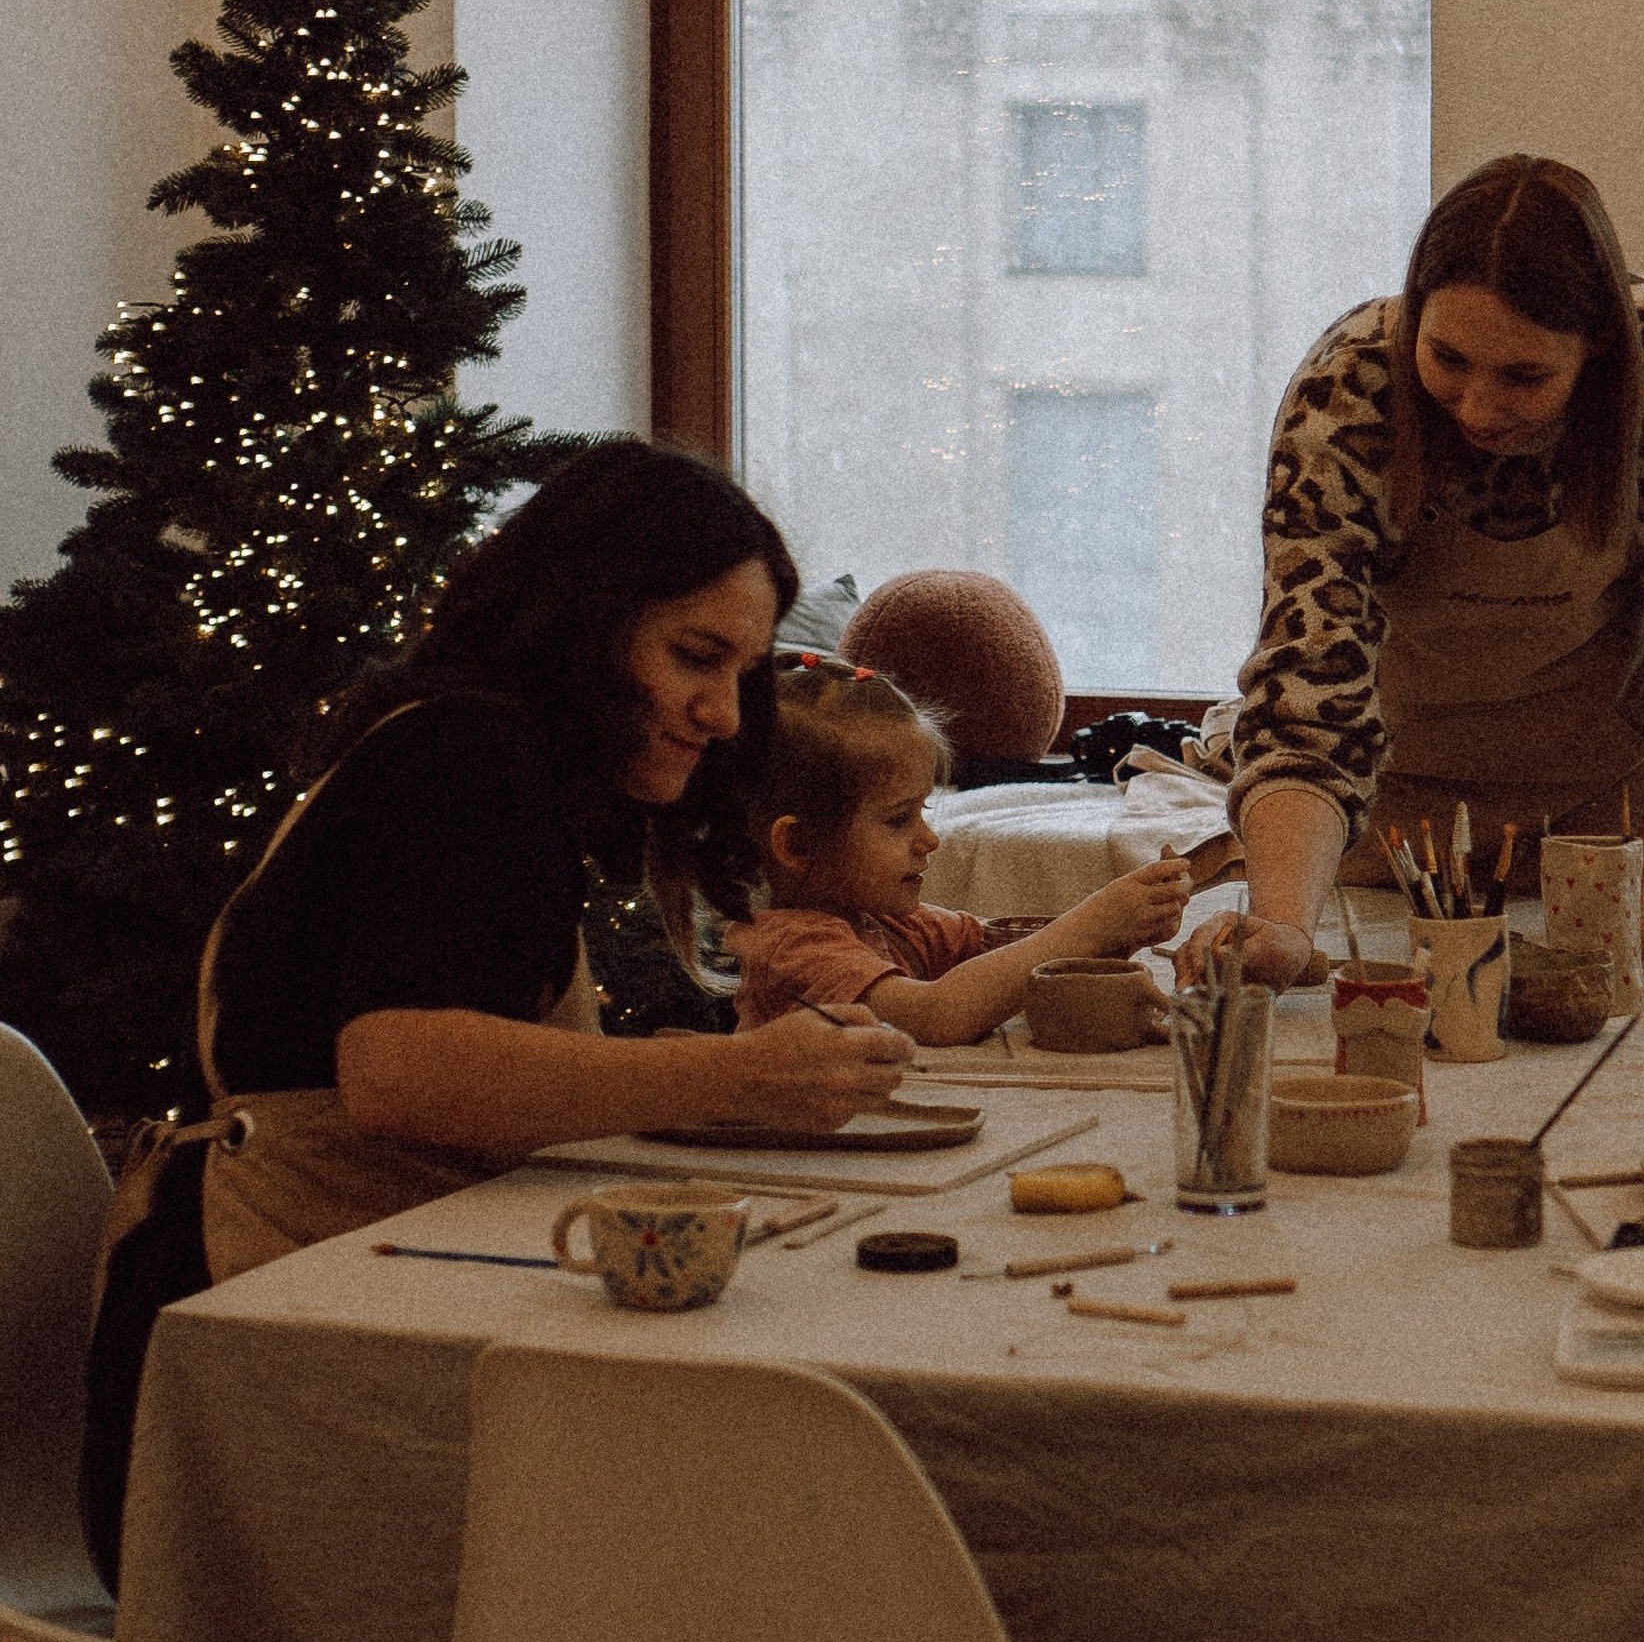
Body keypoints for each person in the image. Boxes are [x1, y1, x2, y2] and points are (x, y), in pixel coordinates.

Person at [191, 441, 915, 1279]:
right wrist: (737, 1073)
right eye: (694, 656)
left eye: (743, 673)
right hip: (270, 1275)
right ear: (583, 623)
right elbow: (399, 1071)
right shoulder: (469, 753)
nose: (723, 715)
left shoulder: (497, 752)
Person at [1195, 152, 1644, 989]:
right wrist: (1285, 929)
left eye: (1524, 376)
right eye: (1446, 360)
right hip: (1385, 810)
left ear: (1596, 355)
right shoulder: (1348, 391)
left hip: (1601, 811)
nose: (1479, 409)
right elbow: (1308, 699)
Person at [725, 663, 1193, 1044]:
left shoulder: (889, 919)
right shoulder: (790, 945)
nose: (929, 839)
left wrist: (1124, 926)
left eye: (922, 810)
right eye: (898, 819)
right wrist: (1093, 923)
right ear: (798, 845)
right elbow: (940, 1014)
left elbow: (1008, 960)